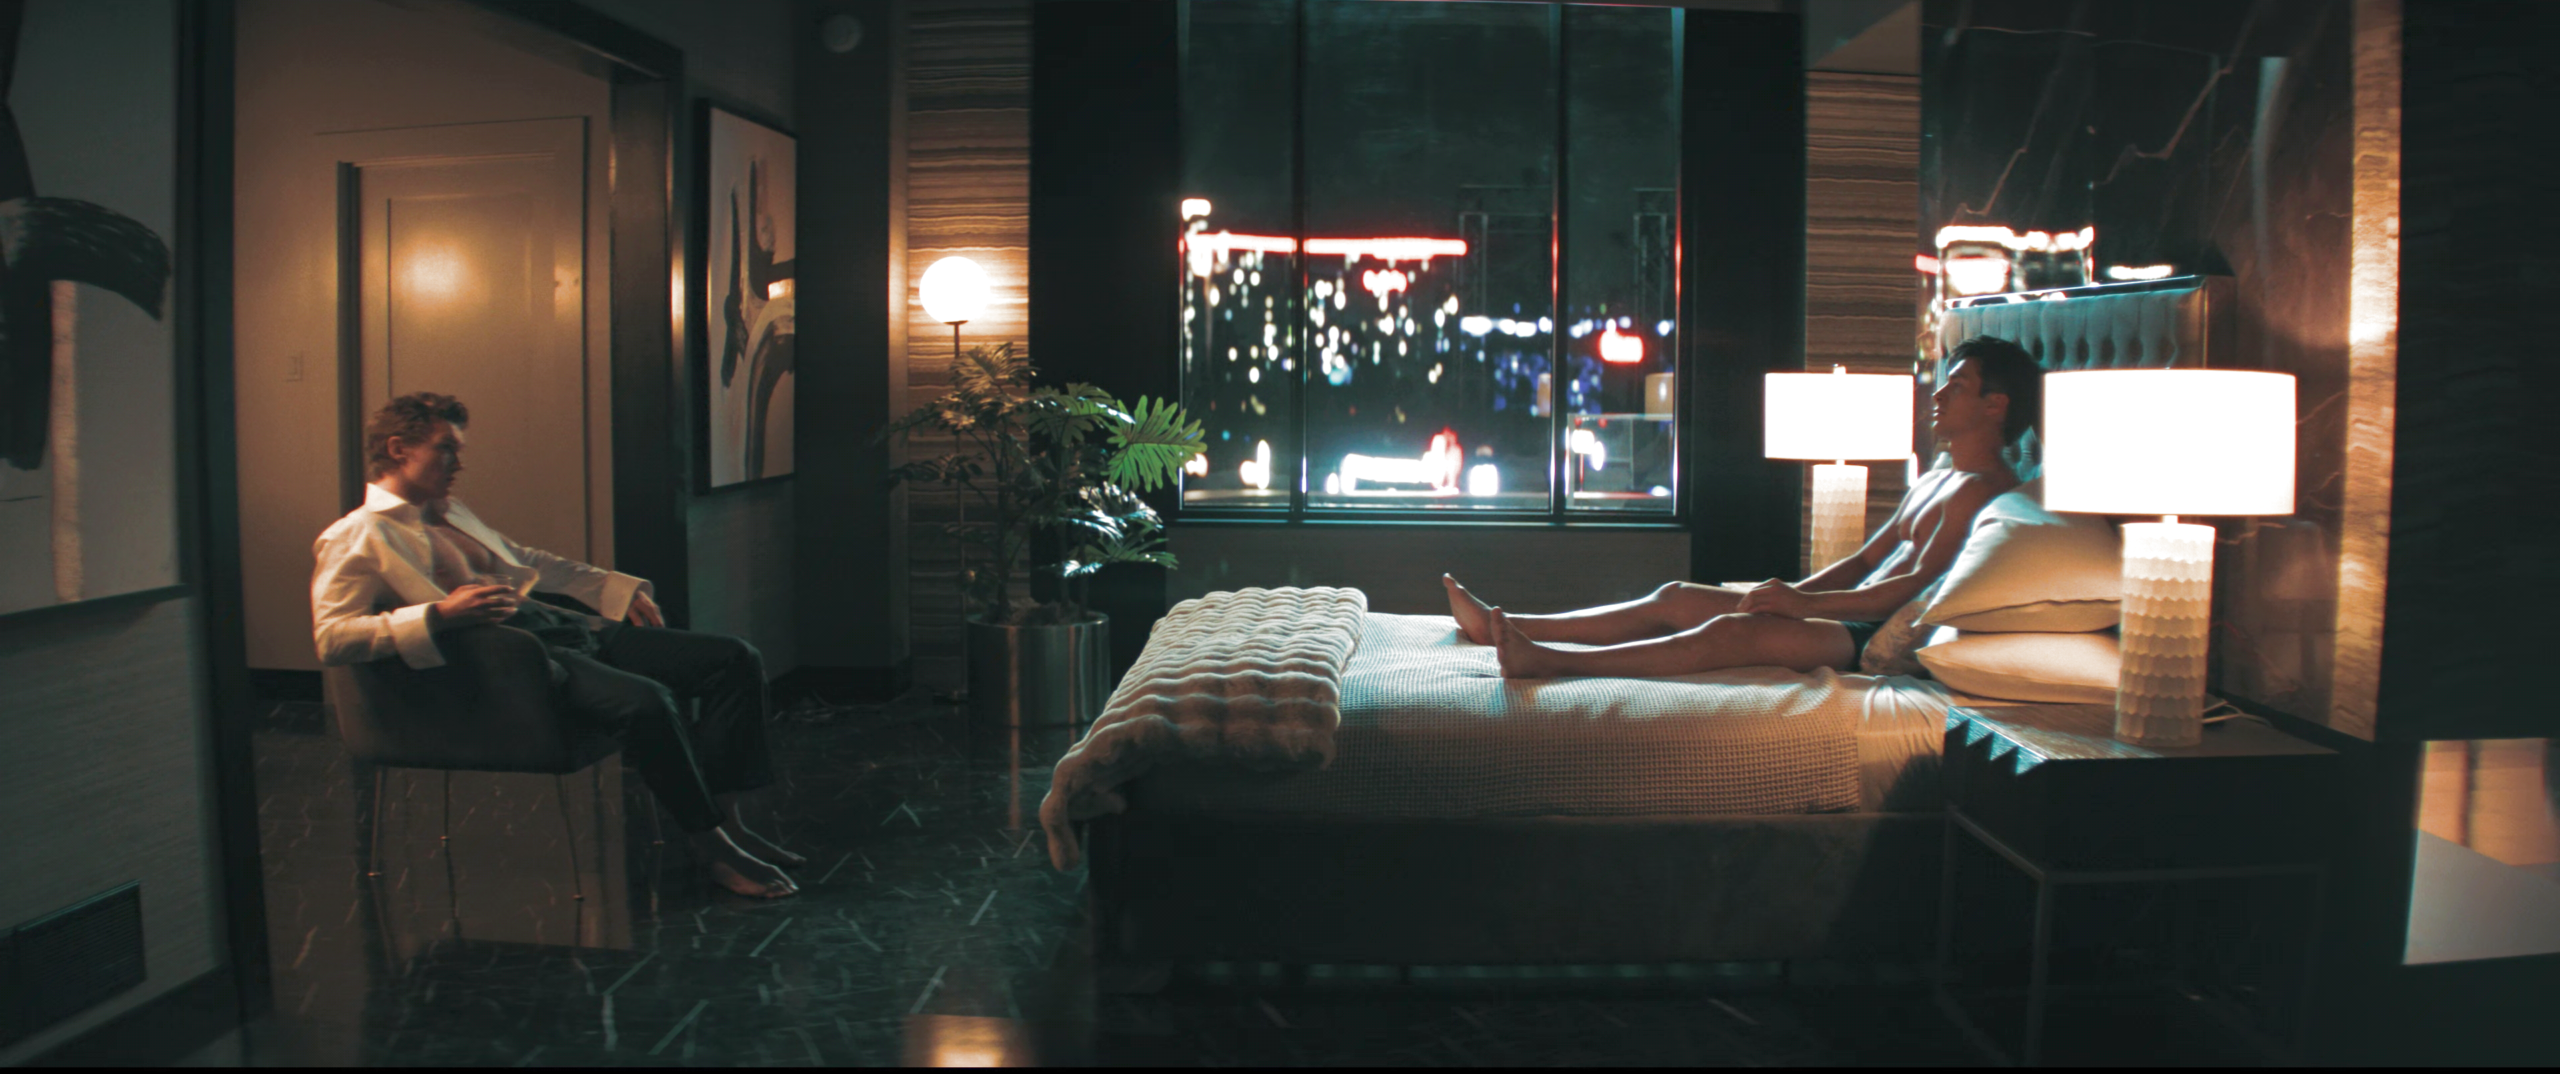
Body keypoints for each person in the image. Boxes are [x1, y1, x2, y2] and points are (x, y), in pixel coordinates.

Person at [311, 392, 802, 899]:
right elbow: (332, 637)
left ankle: (729, 822)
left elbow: (525, 559)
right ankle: (713, 847)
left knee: (733, 659)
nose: (459, 462)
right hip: (519, 661)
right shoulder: (356, 535)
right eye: (446, 448)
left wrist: (612, 587)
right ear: (398, 449)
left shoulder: (449, 511)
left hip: (563, 628)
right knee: (647, 701)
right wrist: (438, 615)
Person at [1447, 336, 2041, 679]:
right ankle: (1514, 625)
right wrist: (1791, 593)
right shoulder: (1941, 476)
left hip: (1863, 636)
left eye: (1958, 385)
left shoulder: (1987, 491)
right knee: (1676, 596)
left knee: (1730, 632)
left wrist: (1803, 607)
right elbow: (1864, 561)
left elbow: (1910, 587)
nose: (1938, 393)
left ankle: (1552, 662)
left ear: (1996, 406)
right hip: (1839, 612)